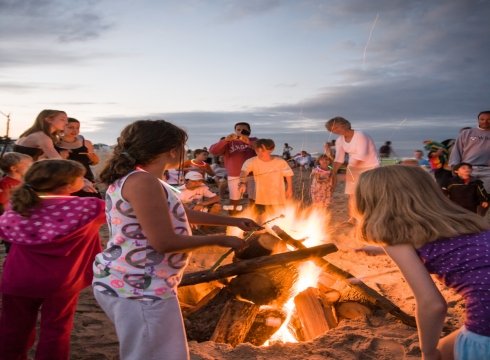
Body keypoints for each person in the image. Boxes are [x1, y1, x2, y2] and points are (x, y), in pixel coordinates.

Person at [92, 120, 261, 360]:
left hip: (140, 280)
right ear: (172, 150)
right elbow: (164, 242)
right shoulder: (142, 181)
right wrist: (221, 241)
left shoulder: (145, 179)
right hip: (139, 286)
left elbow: (178, 213)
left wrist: (232, 222)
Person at [354, 165, 490, 360]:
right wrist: (379, 251)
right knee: (447, 346)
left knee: (439, 353)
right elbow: (451, 250)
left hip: (486, 320)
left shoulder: (394, 238)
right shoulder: (465, 222)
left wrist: (427, 352)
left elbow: (432, 304)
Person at [0, 159, 106, 359]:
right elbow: (117, 211)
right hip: (61, 282)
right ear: (67, 186)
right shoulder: (90, 207)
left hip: (17, 278)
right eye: (80, 177)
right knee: (56, 329)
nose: (84, 180)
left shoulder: (18, 205)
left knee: (12, 328)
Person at [325, 116, 379, 217]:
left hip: (370, 168)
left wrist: (348, 173)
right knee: (352, 195)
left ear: (344, 125)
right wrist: (332, 172)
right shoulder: (339, 141)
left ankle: (370, 216)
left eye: (336, 127)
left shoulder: (361, 135)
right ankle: (353, 218)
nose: (334, 131)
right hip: (353, 168)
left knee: (367, 194)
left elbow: (362, 156)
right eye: (332, 130)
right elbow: (338, 159)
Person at [449, 111, 490, 216]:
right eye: (482, 119)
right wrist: (455, 167)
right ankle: (465, 222)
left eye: (488, 119)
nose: (485, 121)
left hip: (487, 171)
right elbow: (457, 150)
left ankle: (480, 221)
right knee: (465, 198)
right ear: (478, 120)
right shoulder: (467, 133)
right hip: (467, 169)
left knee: (485, 198)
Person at [209, 122, 256, 211]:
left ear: (249, 131)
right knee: (234, 198)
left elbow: (262, 150)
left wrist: (248, 141)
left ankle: (252, 214)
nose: (241, 131)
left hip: (251, 174)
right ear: (235, 131)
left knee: (253, 197)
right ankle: (233, 215)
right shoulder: (229, 142)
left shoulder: (254, 140)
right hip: (234, 174)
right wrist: (225, 140)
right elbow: (213, 151)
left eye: (244, 130)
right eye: (238, 130)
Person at [239, 138, 294, 215]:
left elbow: (288, 175)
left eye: (263, 150)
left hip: (277, 196)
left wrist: (289, 188)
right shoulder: (252, 161)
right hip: (260, 197)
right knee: (260, 217)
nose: (260, 153)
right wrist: (242, 183)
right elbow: (244, 172)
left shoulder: (280, 162)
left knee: (277, 217)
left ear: (271, 149)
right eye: (257, 151)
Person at [55, 117, 100, 197]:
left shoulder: (86, 143)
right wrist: (61, 159)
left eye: (77, 128)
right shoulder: (54, 144)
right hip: (65, 182)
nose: (75, 130)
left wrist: (93, 157)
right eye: (71, 127)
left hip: (87, 180)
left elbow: (94, 163)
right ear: (62, 128)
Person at [0, 152, 33, 255]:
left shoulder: (27, 182)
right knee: (12, 248)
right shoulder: (5, 184)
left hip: (26, 220)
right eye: (28, 165)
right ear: (14, 168)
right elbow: (4, 205)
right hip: (13, 223)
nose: (31, 168)